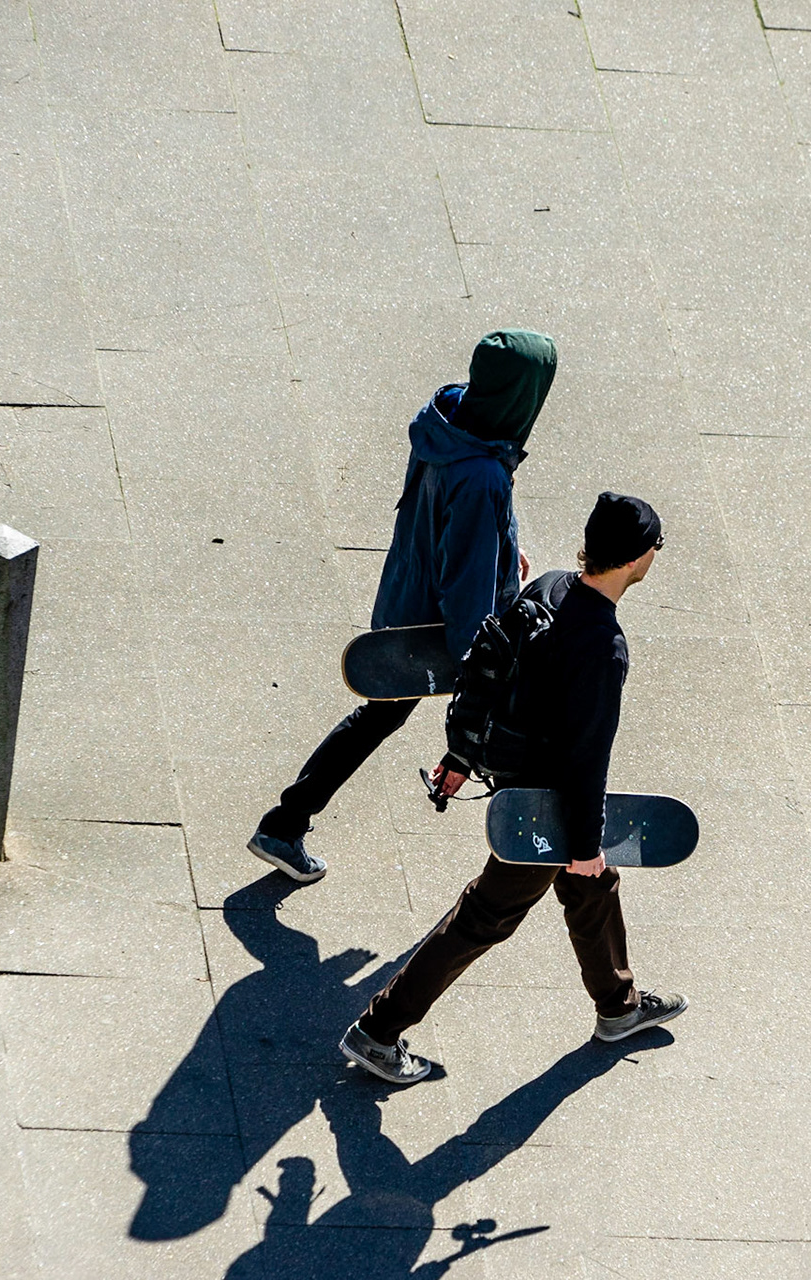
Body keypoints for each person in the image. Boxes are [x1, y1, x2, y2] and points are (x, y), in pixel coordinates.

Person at [339, 492, 687, 1084]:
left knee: (592, 886)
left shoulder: (549, 588)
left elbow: (488, 676)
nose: (656, 554)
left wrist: (459, 755)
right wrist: (582, 841)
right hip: (541, 804)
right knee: (487, 915)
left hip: (513, 774)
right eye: (655, 545)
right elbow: (586, 760)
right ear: (634, 560)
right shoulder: (602, 646)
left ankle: (618, 1007)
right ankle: (378, 1030)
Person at [245, 330, 556, 883]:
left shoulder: (450, 421)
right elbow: (465, 578)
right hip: (435, 627)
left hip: (405, 599)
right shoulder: (483, 472)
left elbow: (448, 523)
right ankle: (526, 848)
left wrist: (505, 547)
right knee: (507, 717)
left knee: (379, 716)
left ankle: (285, 823)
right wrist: (476, 664)